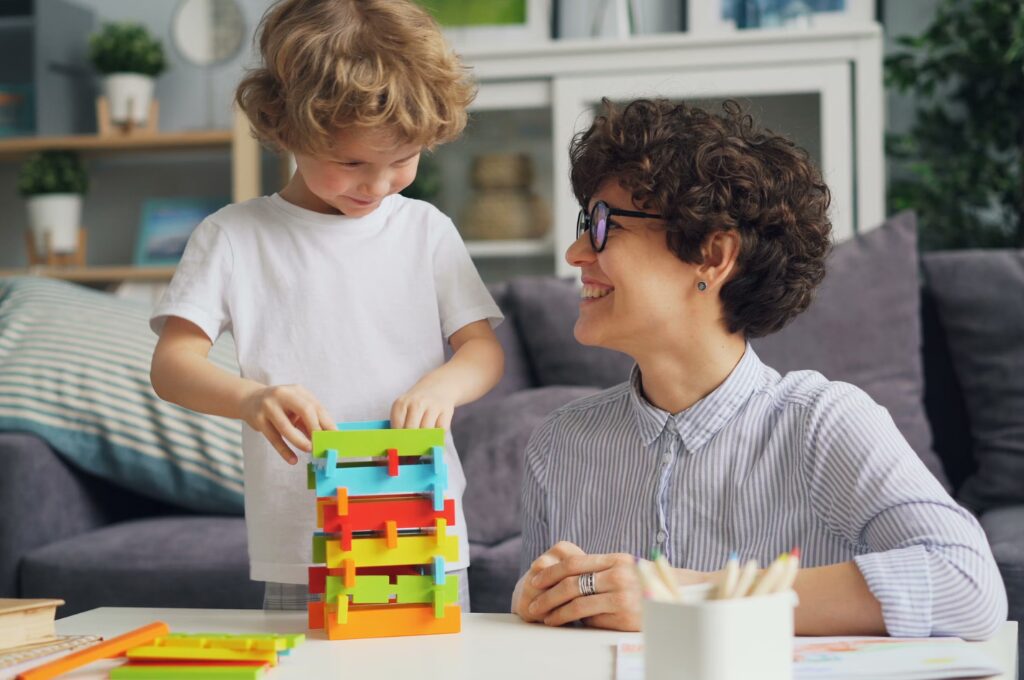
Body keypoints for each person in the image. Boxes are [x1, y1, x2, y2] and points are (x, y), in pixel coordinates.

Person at [511, 98, 1007, 639]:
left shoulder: (822, 423)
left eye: (605, 224)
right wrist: (536, 601)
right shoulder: (559, 446)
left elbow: (968, 585)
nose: (577, 251)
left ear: (713, 255)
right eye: (588, 221)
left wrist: (687, 599)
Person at [149, 0, 504, 613]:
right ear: (286, 129)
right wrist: (252, 399)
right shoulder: (234, 236)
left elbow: (481, 350)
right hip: (303, 539)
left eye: (402, 161)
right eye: (351, 163)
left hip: (422, 526)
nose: (377, 184)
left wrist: (444, 387)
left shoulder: (426, 229)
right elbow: (172, 365)